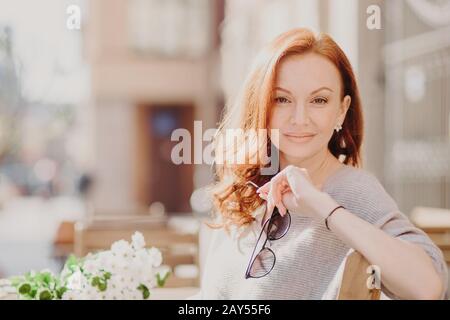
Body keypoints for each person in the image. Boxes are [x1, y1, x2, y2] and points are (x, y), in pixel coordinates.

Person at [193, 28, 448, 300]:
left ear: (341, 109)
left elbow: (428, 287)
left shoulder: (352, 190)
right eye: (282, 99)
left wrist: (322, 206)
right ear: (261, 106)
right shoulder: (245, 188)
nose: (299, 118)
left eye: (319, 100)